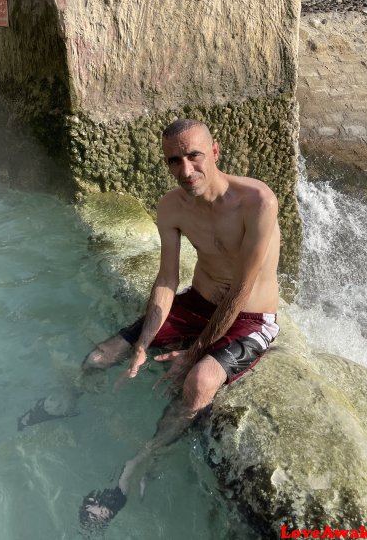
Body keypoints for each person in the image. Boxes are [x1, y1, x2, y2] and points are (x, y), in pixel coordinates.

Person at [77, 119, 280, 529]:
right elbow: (168, 279)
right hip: (198, 301)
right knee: (99, 356)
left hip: (251, 316)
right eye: (174, 161)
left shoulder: (257, 200)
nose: (185, 171)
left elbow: (242, 288)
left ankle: (136, 466)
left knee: (199, 382)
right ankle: (69, 405)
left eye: (194, 156)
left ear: (215, 152)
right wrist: (142, 342)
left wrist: (195, 352)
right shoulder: (171, 206)